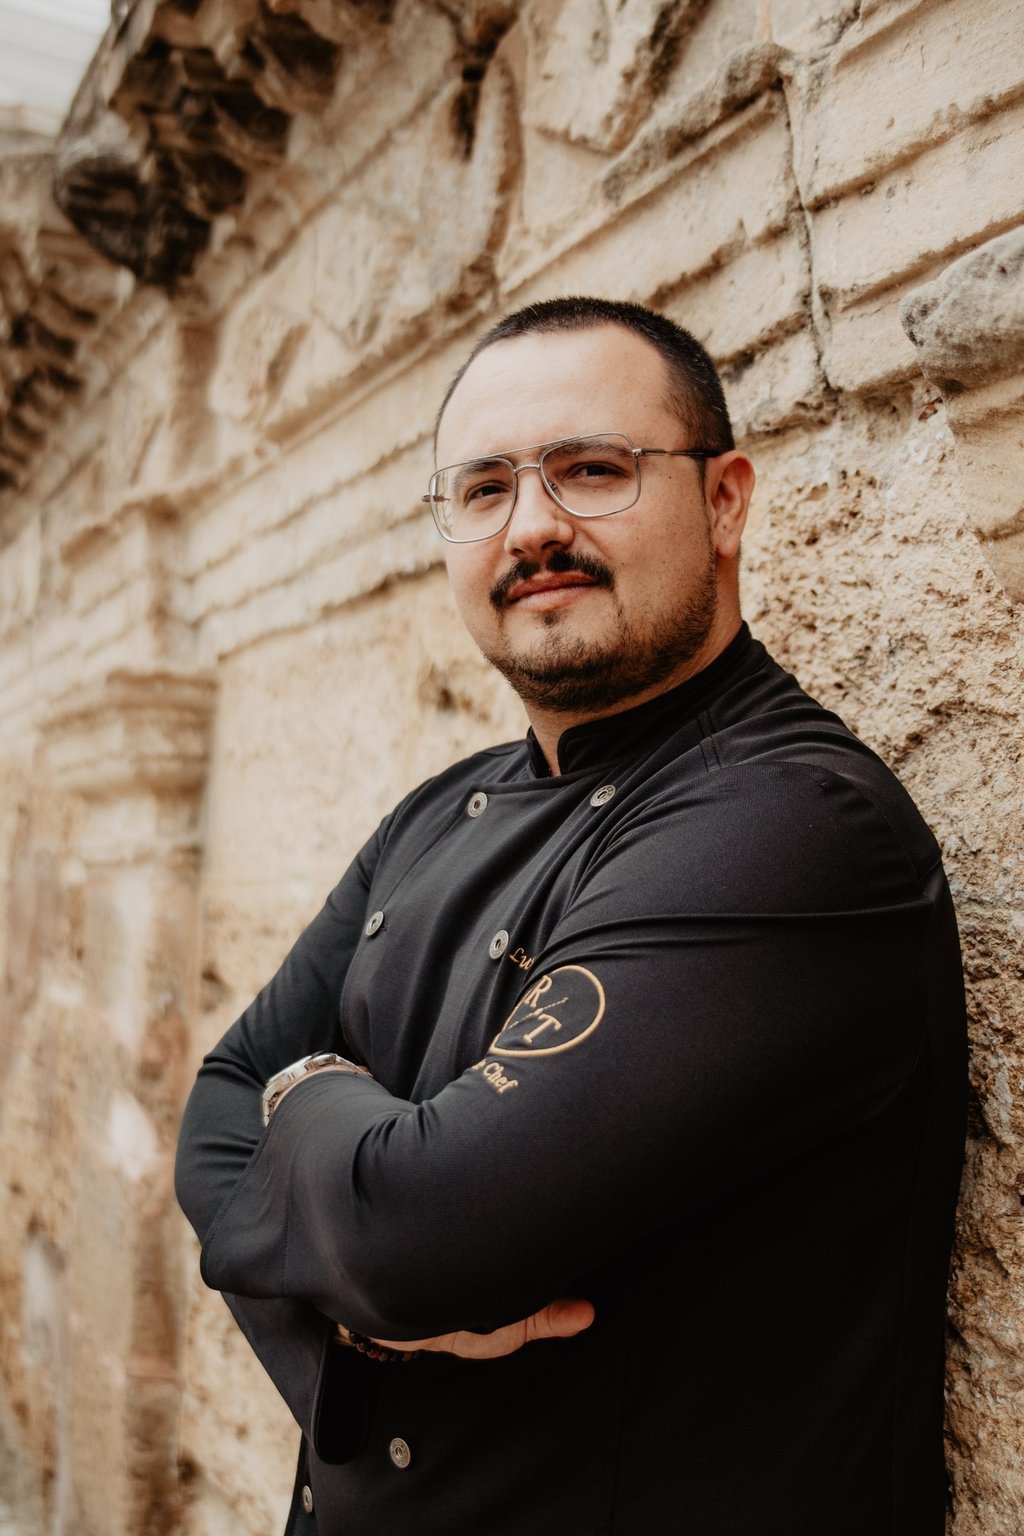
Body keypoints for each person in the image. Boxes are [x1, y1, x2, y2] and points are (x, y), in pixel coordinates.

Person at [175, 297, 967, 1536]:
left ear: (724, 502)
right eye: (482, 489)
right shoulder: (435, 814)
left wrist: (307, 1111)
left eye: (592, 471)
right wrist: (356, 1269)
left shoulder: (792, 823)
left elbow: (417, 1230)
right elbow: (215, 1102)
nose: (532, 526)